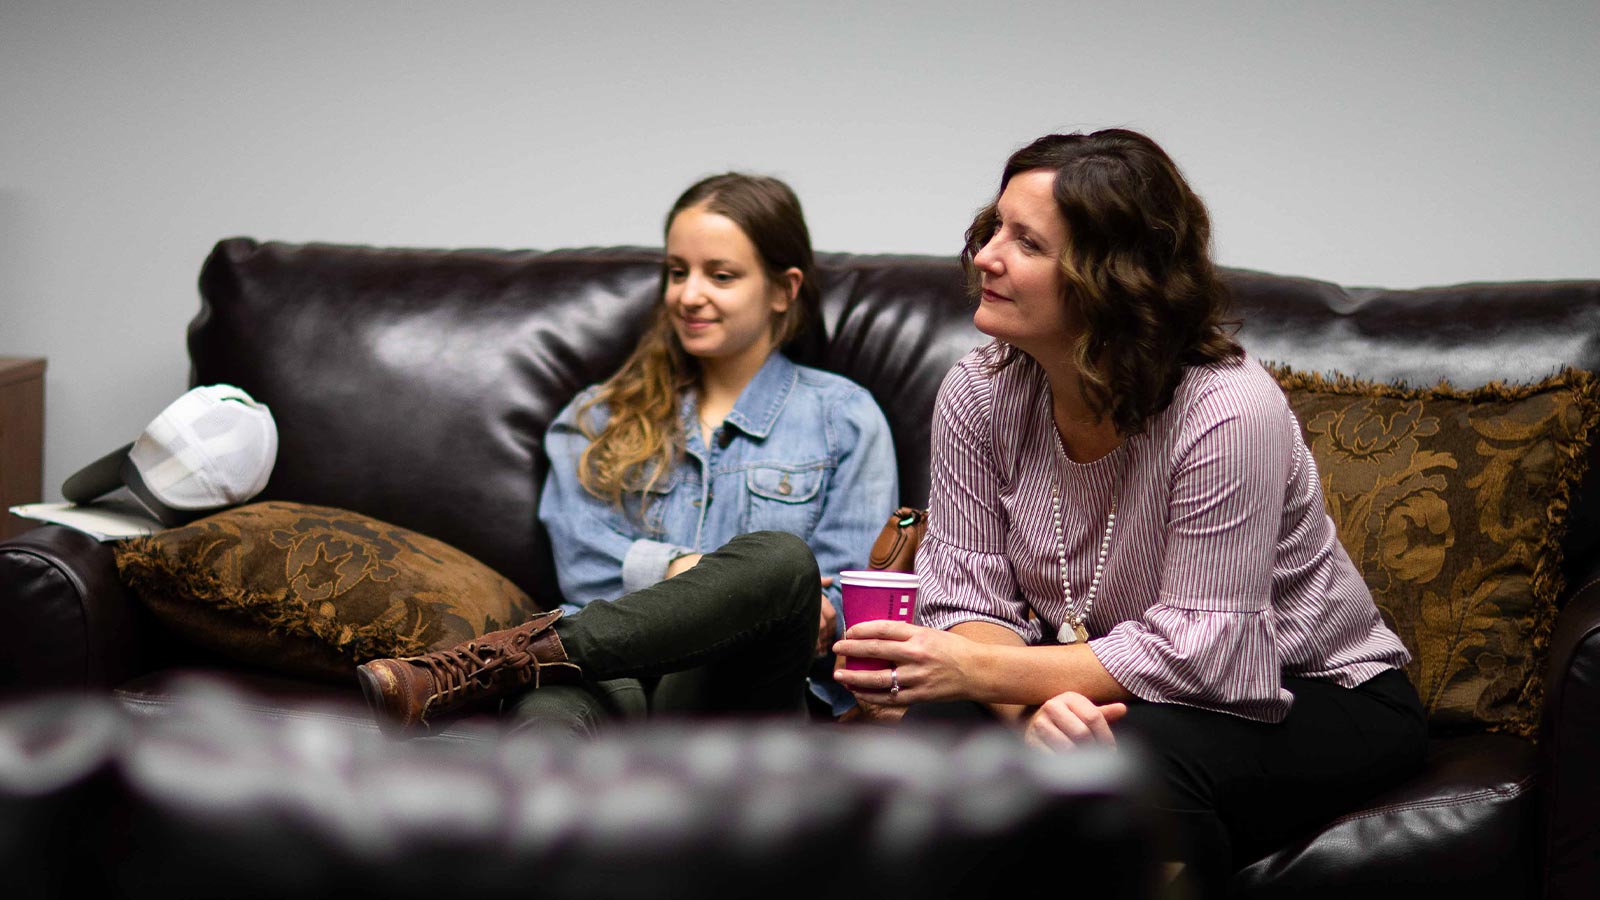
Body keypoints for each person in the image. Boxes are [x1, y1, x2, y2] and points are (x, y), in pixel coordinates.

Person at [830, 130, 1425, 895]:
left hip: (1314, 691)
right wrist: (1030, 715)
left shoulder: (1227, 411)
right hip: (1105, 684)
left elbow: (1207, 652)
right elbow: (968, 603)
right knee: (945, 733)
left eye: (1027, 243)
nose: (985, 257)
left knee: (1128, 764)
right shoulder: (977, 392)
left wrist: (984, 673)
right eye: (994, 228)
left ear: (1109, 281)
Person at [359, 173, 897, 734]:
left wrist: (724, 585)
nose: (688, 295)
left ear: (784, 290)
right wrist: (696, 576)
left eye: (721, 276)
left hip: (737, 689)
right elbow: (584, 567)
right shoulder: (597, 418)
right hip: (607, 675)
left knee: (782, 562)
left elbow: (843, 602)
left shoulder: (845, 419)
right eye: (677, 272)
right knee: (547, 718)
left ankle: (497, 663)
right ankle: (510, 677)